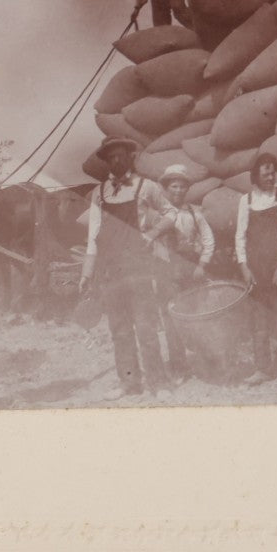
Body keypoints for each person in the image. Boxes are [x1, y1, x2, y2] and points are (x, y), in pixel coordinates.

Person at [79, 137, 178, 401]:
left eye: (121, 156)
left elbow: (171, 213)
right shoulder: (100, 193)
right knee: (119, 331)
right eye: (111, 157)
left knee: (145, 328)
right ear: (106, 161)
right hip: (110, 271)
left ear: (130, 158)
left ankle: (159, 384)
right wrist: (87, 272)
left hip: (138, 268)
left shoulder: (147, 187)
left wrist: (152, 234)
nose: (116, 161)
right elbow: (93, 235)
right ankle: (129, 384)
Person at [234, 153, 277, 385]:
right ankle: (263, 368)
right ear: (255, 176)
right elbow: (239, 236)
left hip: (276, 267)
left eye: (273, 172)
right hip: (255, 269)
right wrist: (243, 267)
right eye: (265, 173)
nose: (271, 177)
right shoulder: (246, 201)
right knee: (258, 320)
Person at [155, 163, 215, 380]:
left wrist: (202, 265)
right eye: (174, 186)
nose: (178, 191)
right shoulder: (156, 215)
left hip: (189, 270)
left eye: (182, 187)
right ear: (165, 189)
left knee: (196, 315)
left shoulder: (193, 213)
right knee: (171, 319)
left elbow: (209, 240)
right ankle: (179, 366)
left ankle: (203, 363)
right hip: (165, 271)